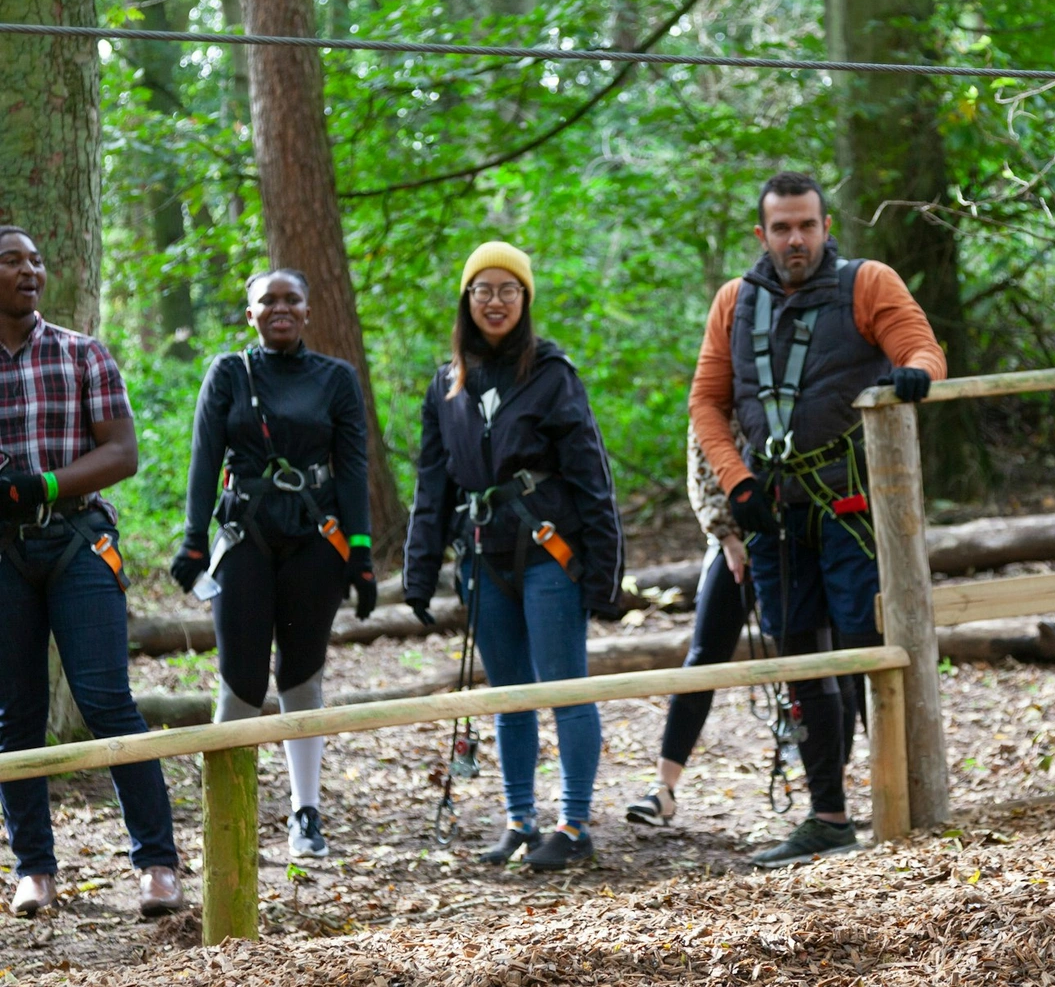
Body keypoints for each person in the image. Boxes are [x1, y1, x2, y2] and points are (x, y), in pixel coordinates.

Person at [689, 172, 946, 868]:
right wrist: (736, 484)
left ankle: (898, 812)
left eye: (807, 225)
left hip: (853, 508)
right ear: (762, 234)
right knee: (800, 657)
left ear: (827, 227)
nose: (795, 239)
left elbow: (921, 349)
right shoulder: (733, 302)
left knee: (869, 649)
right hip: (773, 512)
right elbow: (708, 402)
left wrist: (915, 375)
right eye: (782, 228)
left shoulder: (868, 283)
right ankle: (827, 816)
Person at [404, 241, 623, 871]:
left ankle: (574, 824)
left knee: (564, 686)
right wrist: (419, 571)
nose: (494, 301)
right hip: (482, 556)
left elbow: (591, 476)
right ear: (466, 300)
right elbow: (433, 482)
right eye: (482, 290)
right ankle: (520, 819)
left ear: (524, 300)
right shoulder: (447, 385)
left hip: (549, 552)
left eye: (507, 290)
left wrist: (606, 574)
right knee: (508, 693)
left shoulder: (552, 376)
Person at [0, 226, 183, 917]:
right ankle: (34, 872)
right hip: (3, 557)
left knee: (108, 701)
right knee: (14, 715)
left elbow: (124, 453)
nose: (30, 270)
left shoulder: (82, 353)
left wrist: (43, 485)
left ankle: (157, 865)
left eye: (37, 259)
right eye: (12, 259)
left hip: (78, 540)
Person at [170, 268, 376, 860]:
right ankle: (227, 821)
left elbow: (354, 467)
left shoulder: (336, 379)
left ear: (309, 311)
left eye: (292, 299)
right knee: (240, 678)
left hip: (316, 538)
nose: (280, 308)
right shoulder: (229, 373)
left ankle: (304, 815)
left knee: (303, 673)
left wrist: (360, 553)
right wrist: (191, 542)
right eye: (268, 300)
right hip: (245, 535)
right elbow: (204, 458)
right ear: (250, 313)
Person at [624, 421, 754, 826]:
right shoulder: (713, 387)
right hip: (730, 539)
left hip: (795, 536)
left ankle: (833, 797)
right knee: (703, 658)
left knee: (819, 653)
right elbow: (701, 467)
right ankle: (663, 789)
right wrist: (728, 538)